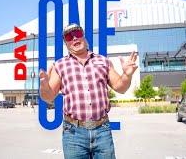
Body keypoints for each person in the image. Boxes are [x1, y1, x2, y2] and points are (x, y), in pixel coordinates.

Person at [39, 23, 138, 159]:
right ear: (66, 43)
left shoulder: (103, 61)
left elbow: (121, 88)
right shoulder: (60, 65)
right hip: (73, 133)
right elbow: (48, 97)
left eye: (77, 34)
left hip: (102, 130)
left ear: (84, 37)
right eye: (69, 37)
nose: (74, 38)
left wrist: (127, 75)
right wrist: (44, 85)